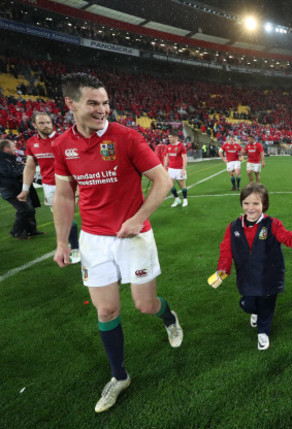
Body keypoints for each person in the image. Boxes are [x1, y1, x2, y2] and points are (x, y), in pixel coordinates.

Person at [52, 73, 183, 413]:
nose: (102, 109)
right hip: (93, 240)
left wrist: (138, 217)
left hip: (134, 235)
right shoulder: (62, 145)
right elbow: (65, 195)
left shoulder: (126, 137)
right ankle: (119, 375)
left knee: (145, 305)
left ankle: (168, 316)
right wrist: (63, 242)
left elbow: (162, 181)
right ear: (71, 104)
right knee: (107, 310)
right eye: (93, 103)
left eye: (106, 102)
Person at [215, 183, 292, 350]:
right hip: (247, 276)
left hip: (269, 276)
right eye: (246, 203)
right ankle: (254, 312)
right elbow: (226, 249)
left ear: (264, 204)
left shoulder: (273, 224)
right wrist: (223, 269)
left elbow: (287, 237)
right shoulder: (234, 227)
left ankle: (263, 332)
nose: (251, 208)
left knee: (266, 306)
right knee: (247, 304)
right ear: (242, 204)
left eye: (256, 203)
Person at [17, 112, 80, 262]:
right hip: (49, 186)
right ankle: (71, 248)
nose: (46, 125)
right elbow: (30, 167)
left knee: (69, 216)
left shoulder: (64, 139)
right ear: (34, 125)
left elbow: (77, 163)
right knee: (61, 218)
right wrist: (25, 189)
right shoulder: (32, 143)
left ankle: (76, 248)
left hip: (69, 184)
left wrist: (78, 186)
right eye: (42, 123)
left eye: (48, 122)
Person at [0, 139, 41, 240]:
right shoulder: (1, 160)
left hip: (18, 187)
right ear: (6, 148)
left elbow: (17, 169)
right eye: (13, 146)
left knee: (30, 209)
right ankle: (17, 232)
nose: (16, 148)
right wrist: (23, 168)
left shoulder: (11, 158)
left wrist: (22, 167)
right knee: (24, 210)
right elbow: (10, 173)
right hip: (10, 190)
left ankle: (31, 230)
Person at [163, 130, 188, 207]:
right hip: (171, 169)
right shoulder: (168, 147)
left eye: (171, 137)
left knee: (182, 185)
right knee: (170, 184)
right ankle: (177, 199)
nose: (169, 139)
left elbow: (184, 158)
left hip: (179, 169)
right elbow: (166, 158)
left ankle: (185, 200)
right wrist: (164, 169)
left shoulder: (181, 146)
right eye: (168, 137)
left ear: (176, 137)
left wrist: (184, 169)